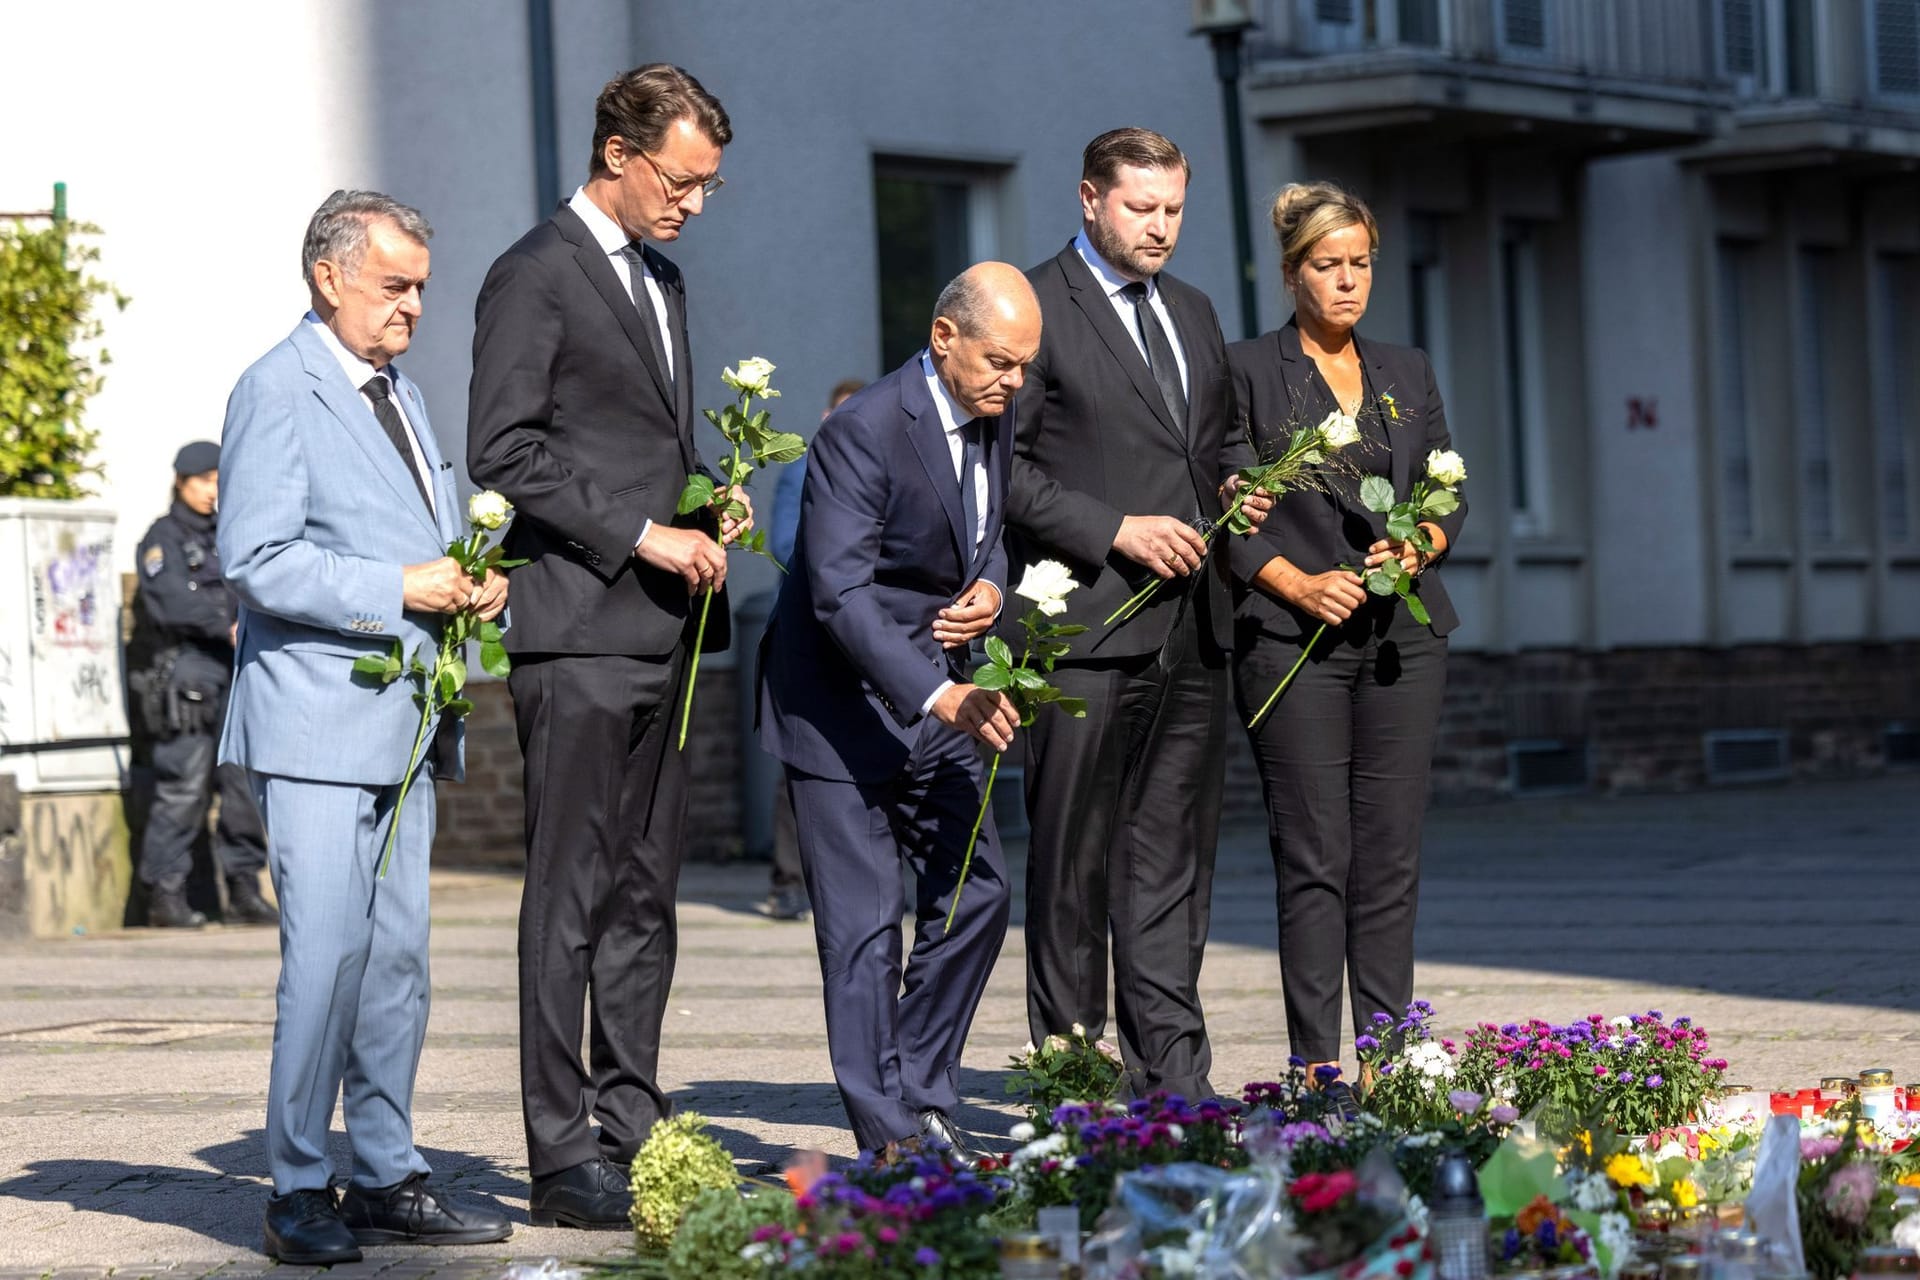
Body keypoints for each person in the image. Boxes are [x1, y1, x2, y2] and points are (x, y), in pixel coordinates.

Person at [467, 64, 750, 1229]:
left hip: (664, 630)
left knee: (645, 894)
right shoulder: (535, 273)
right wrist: (642, 531)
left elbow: (642, 437)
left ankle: (634, 1119)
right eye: (682, 181)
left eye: (709, 187)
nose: (693, 203)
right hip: (578, 626)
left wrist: (703, 500)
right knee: (572, 891)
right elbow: (504, 446)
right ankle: (559, 1145)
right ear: (619, 155)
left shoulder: (663, 275)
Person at [218, 190, 511, 1264]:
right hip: (314, 723)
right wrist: (402, 585)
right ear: (328, 275)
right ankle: (298, 1182)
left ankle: (385, 1170)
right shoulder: (276, 388)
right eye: (396, 285)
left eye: (422, 286)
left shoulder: (401, 393)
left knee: (397, 964)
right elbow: (253, 557)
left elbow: (424, 535)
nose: (414, 306)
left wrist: (473, 583)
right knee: (328, 957)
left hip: (404, 717)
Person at [1005, 127, 1269, 1100]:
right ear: (1088, 198)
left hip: (1197, 630)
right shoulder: (1033, 306)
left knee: (1170, 867)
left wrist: (1244, 488)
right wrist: (1116, 527)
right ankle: (1074, 1085)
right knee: (1071, 866)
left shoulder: (1196, 312)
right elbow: (1006, 473)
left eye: (1173, 210)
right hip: (1086, 629)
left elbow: (1224, 439)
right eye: (1140, 207)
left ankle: (1175, 1082)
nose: (1160, 228)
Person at [759, 263, 1036, 1162]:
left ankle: (918, 1088)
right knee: (866, 929)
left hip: (938, 691)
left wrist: (992, 586)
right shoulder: (863, 430)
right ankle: (890, 1138)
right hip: (839, 704)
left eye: (1026, 365)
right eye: (1001, 360)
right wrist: (940, 692)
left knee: (978, 890)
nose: (1015, 381)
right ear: (943, 337)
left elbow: (996, 531)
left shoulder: (998, 412)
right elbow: (838, 594)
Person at [1224, 182, 1468, 1093]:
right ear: (1292, 274)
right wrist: (1294, 582)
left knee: (1390, 853)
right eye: (1328, 266)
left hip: (1403, 637)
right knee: (1316, 852)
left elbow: (1451, 490)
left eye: (1360, 264)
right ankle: (1316, 1062)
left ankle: (1391, 1058)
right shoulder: (1248, 369)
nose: (1348, 282)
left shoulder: (1406, 370)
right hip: (1293, 644)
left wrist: (1423, 538)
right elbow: (1229, 502)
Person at [127, 441, 274, 929]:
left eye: (218, 479)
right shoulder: (161, 537)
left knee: (243, 789)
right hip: (188, 678)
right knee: (184, 790)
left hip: (237, 676)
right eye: (204, 480)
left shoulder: (233, 534)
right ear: (181, 482)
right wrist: (224, 625)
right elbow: (169, 601)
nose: (213, 490)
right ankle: (165, 896)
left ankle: (245, 891)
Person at [760, 375, 865, 922]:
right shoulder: (799, 468)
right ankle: (788, 880)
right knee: (799, 754)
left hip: (870, 632)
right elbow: (782, 544)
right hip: (811, 632)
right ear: (826, 420)